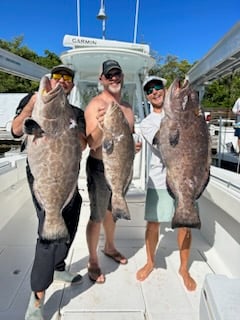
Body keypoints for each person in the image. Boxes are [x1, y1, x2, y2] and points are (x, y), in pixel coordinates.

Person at [11, 64, 87, 319]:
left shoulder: (76, 112)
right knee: (47, 236)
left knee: (71, 223)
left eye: (67, 78)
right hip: (43, 178)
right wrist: (34, 103)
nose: (62, 81)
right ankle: (37, 299)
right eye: (57, 76)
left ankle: (58, 267)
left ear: (72, 85)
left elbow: (83, 143)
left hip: (68, 179)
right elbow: (15, 130)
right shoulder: (34, 101)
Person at [136, 76, 197, 291]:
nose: (155, 92)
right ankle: (151, 261)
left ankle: (183, 268)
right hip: (159, 179)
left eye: (158, 87)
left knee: (185, 224)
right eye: (150, 90)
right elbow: (162, 143)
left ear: (165, 90)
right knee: (153, 224)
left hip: (186, 177)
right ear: (147, 97)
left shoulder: (183, 113)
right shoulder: (146, 123)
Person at [84, 59, 141, 284]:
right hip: (99, 168)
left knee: (112, 210)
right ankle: (92, 260)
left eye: (117, 74)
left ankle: (109, 247)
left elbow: (127, 138)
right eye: (109, 75)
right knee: (97, 216)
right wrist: (100, 126)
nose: (114, 78)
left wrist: (133, 146)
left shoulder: (127, 108)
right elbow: (91, 143)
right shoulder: (95, 105)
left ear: (122, 77)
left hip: (122, 166)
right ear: (102, 80)